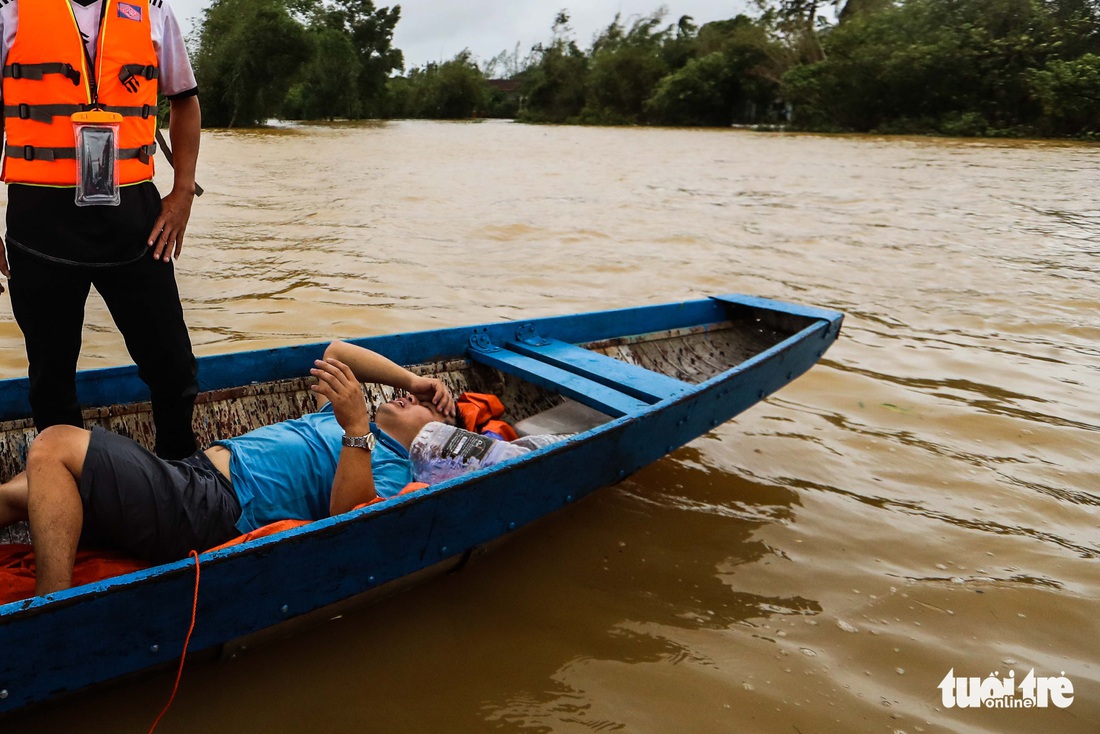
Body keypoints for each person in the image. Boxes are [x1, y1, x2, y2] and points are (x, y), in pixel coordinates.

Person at [0, 340, 459, 596]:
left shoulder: (394, 468)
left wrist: (358, 426)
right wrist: (414, 378)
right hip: (190, 475)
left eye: (426, 406)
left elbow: (348, 520)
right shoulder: (337, 417)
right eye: (416, 392)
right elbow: (336, 352)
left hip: (213, 508)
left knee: (53, 446)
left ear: (434, 439)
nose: (411, 397)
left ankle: (52, 609)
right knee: (22, 491)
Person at [0, 0, 202, 459]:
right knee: (50, 380)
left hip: (137, 224)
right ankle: (70, 488)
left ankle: (182, 479)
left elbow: (184, 101)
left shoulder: (152, 10)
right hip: (39, 226)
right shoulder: (9, 10)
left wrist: (183, 192)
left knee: (173, 368)